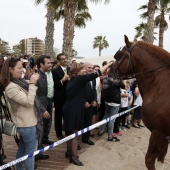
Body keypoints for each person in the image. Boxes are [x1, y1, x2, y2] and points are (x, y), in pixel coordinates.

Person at [63, 62, 113, 166]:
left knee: (69, 132)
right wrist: (108, 65)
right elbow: (97, 73)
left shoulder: (72, 80)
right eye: (82, 69)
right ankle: (74, 157)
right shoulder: (79, 79)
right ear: (77, 71)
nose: (85, 71)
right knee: (75, 134)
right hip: (74, 109)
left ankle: (69, 152)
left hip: (68, 107)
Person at [0, 57, 40, 170]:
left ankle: (19, 168)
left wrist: (34, 76)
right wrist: (32, 84)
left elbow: (36, 84)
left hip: (28, 122)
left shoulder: (20, 82)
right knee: (30, 154)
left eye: (22, 67)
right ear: (10, 70)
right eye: (19, 67)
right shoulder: (11, 87)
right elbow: (28, 102)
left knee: (23, 149)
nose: (22, 70)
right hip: (26, 124)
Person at [31, 55, 52, 161]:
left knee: (41, 129)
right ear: (41, 64)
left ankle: (39, 152)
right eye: (48, 63)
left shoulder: (44, 75)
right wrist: (43, 109)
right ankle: (35, 154)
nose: (50, 64)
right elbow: (34, 95)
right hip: (38, 108)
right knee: (38, 131)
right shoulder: (35, 76)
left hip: (46, 104)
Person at [98, 71, 125, 142]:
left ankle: (100, 130)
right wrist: (121, 79)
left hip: (107, 100)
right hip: (114, 102)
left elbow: (104, 87)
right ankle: (110, 136)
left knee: (106, 116)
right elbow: (123, 86)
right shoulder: (116, 79)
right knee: (112, 119)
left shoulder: (106, 77)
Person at [52, 53, 70, 140]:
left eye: (65, 58)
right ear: (59, 61)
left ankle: (67, 131)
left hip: (69, 97)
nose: (65, 60)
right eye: (63, 59)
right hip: (59, 97)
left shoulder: (70, 69)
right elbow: (54, 84)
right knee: (58, 116)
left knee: (68, 115)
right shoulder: (55, 71)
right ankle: (59, 133)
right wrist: (63, 80)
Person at [82, 62, 97, 145]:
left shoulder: (93, 78)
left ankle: (86, 138)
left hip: (91, 105)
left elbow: (94, 90)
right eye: (89, 67)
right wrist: (84, 102)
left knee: (88, 122)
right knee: (80, 124)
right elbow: (79, 92)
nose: (91, 69)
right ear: (84, 68)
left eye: (92, 68)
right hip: (82, 105)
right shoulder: (81, 78)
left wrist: (95, 100)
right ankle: (75, 143)